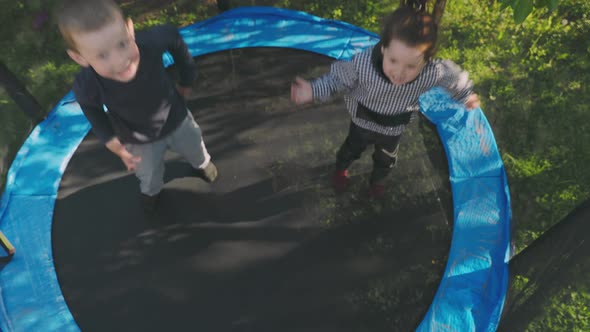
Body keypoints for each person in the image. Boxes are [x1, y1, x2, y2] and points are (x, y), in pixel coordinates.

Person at [291, 0, 480, 198]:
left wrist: (465, 95)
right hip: (362, 120)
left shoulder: (432, 72)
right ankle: (341, 169)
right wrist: (313, 90)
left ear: (426, 61)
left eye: (411, 66)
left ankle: (377, 181)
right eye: (393, 61)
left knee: (386, 159)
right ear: (383, 49)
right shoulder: (363, 63)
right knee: (351, 148)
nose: (399, 73)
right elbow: (338, 80)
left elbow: (452, 78)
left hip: (393, 128)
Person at [55, 0, 218, 216]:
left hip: (177, 119)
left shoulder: (151, 42)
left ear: (129, 29)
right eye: (102, 55)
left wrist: (187, 79)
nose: (121, 60)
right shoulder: (87, 85)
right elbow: (91, 109)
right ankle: (151, 192)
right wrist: (113, 143)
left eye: (122, 44)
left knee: (196, 146)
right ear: (79, 58)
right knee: (148, 174)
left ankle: (202, 164)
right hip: (137, 139)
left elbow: (173, 37)